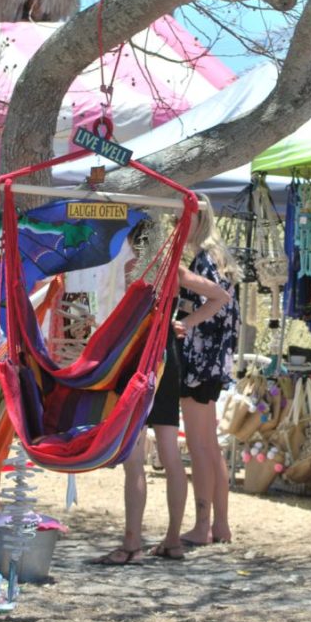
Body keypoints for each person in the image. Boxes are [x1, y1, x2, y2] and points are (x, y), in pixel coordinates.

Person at [90, 221, 232, 566]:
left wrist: (185, 322)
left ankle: (132, 541)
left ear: (134, 243)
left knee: (136, 458)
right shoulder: (173, 271)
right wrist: (184, 322)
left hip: (139, 358)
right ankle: (171, 540)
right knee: (169, 455)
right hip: (167, 358)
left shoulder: (131, 271)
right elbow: (221, 296)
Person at [178, 193, 240, 547]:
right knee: (210, 446)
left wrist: (186, 322)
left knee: (200, 446)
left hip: (201, 362)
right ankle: (220, 524)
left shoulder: (204, 259)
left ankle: (204, 526)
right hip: (214, 363)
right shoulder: (218, 256)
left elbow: (218, 302)